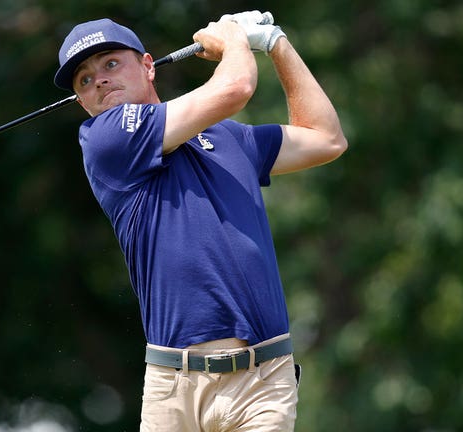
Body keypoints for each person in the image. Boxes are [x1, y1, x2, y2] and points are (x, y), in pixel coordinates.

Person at [54, 11, 347, 432]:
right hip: (174, 390)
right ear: (82, 102)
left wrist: (277, 44)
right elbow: (237, 86)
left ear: (149, 66)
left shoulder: (230, 138)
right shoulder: (106, 140)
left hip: (262, 382)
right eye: (84, 79)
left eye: (111, 63)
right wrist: (233, 40)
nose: (98, 79)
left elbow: (326, 138)